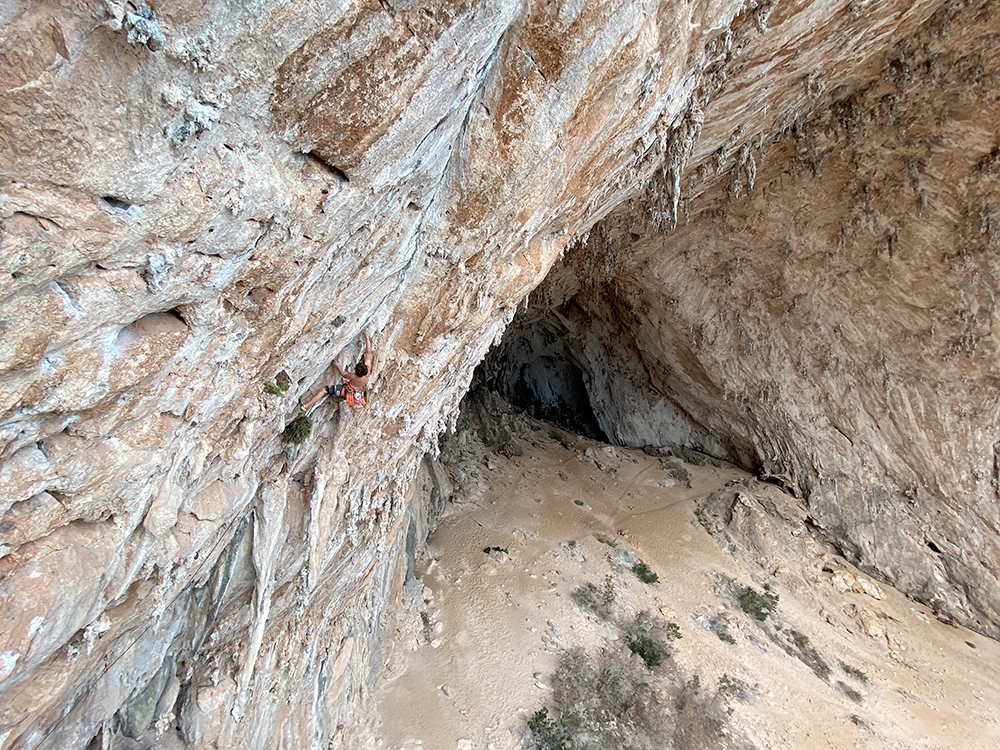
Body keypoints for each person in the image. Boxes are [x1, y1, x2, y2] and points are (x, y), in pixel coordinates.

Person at [300, 331, 373, 410]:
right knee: (332, 391)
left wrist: (337, 366)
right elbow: (368, 352)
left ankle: (306, 406)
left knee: (324, 390)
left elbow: (343, 374)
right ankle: (341, 398)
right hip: (355, 392)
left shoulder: (353, 376)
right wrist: (367, 338)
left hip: (346, 390)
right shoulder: (368, 370)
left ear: (356, 371)